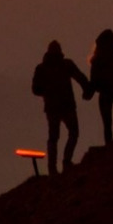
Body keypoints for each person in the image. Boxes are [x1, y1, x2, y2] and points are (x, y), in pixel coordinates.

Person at [30, 39, 91, 175]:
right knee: (73, 133)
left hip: (53, 107)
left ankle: (53, 168)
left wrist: (47, 91)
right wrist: (87, 89)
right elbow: (80, 78)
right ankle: (66, 162)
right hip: (66, 106)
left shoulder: (42, 68)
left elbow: (35, 89)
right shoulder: (66, 65)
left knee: (54, 137)